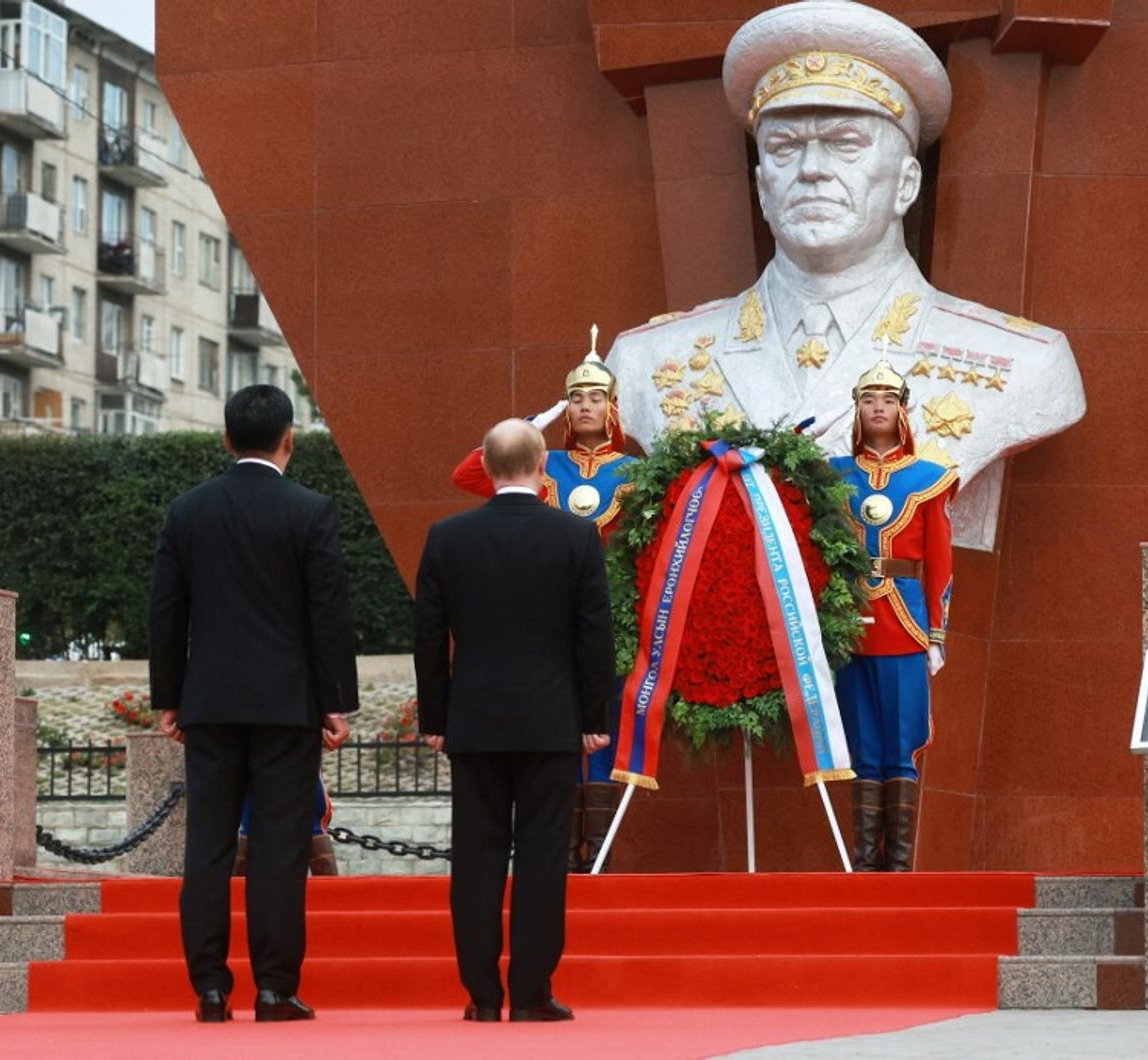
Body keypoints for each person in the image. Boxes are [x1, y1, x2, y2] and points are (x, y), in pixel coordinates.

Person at [604, 0, 1085, 551]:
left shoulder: (1024, 364)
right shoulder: (646, 360)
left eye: (845, 143)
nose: (811, 170)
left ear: (906, 183)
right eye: (784, 147)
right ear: (762, 187)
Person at [149, 384, 358, 1024]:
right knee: (279, 848)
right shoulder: (311, 510)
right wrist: (335, 703)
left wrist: (169, 698)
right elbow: (328, 616)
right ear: (289, 439)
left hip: (208, 702)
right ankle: (274, 988)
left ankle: (210, 989)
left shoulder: (188, 510)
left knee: (207, 846)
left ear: (225, 439)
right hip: (287, 705)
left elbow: (166, 611)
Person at [417, 418, 614, 1023]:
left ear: (487, 467)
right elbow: (594, 637)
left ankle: (481, 995)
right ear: (542, 466)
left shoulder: (446, 537)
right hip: (550, 722)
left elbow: (428, 637)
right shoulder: (576, 537)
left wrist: (436, 718)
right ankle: (532, 992)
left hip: (474, 723)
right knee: (541, 859)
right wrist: (593, 717)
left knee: (474, 860)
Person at [451, 341, 633, 872]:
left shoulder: (634, 470)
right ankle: (556, 851)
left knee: (600, 731)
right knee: (556, 736)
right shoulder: (542, 462)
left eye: (595, 398)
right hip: (548, 622)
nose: (583, 407)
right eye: (574, 398)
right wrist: (530, 424)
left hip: (606, 620)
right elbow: (468, 474)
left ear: (612, 408)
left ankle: (594, 855)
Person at [819, 357, 955, 871]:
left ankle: (898, 863)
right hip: (851, 621)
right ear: (856, 410)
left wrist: (936, 635)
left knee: (901, 744)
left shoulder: (928, 477)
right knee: (862, 744)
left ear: (903, 412)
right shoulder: (833, 476)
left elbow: (941, 560)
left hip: (905, 618)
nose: (879, 408)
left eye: (889, 400)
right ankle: (863, 859)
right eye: (869, 399)